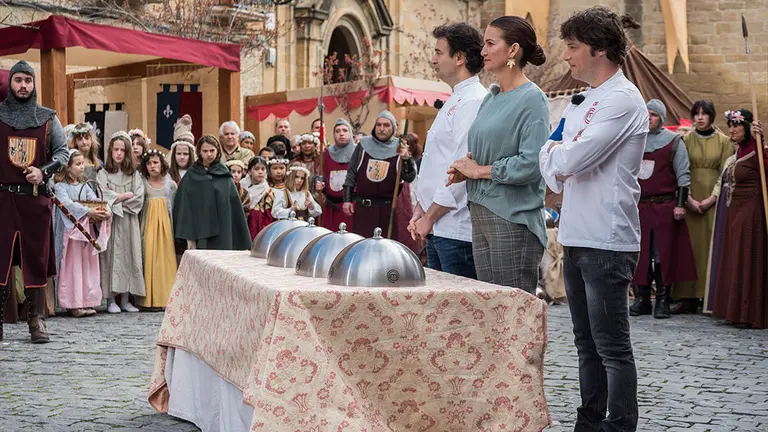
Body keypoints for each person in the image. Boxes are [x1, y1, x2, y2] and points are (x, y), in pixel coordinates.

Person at [538, 7, 647, 431]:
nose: (566, 56)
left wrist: (559, 155)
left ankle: (619, 425)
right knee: (585, 343)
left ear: (599, 49)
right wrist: (559, 155)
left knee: (611, 347)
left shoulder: (622, 99)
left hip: (607, 237)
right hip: (576, 233)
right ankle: (588, 421)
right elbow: (551, 154)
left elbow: (570, 159)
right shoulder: (581, 100)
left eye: (572, 47)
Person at [447, 16, 549, 291]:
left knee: (511, 311)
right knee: (491, 310)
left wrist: (479, 171)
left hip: (511, 217)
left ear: (513, 49)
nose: (482, 51)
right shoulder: (491, 97)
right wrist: (466, 169)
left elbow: (531, 163)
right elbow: (487, 150)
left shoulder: (533, 99)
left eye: (490, 44)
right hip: (480, 212)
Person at [410, 22, 486, 279]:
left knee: (456, 304)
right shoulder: (455, 97)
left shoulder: (473, 100)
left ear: (459, 58)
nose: (433, 60)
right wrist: (420, 209)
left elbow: (460, 168)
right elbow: (436, 163)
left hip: (455, 230)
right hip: (437, 226)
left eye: (438, 52)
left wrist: (429, 217)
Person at [0, 60, 69, 343]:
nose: (23, 86)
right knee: (0, 259)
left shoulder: (48, 118)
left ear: (34, 85)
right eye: (18, 80)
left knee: (35, 261)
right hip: (3, 199)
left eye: (28, 81)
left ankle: (36, 321)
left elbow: (63, 153)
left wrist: (44, 171)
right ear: (10, 84)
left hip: (35, 200)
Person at [630, 99, 697, 319]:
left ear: (661, 118)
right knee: (640, 254)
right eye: (646, 113)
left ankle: (662, 300)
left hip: (664, 207)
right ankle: (642, 299)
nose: (649, 118)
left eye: (654, 114)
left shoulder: (674, 142)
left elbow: (683, 175)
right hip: (640, 207)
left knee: (662, 255)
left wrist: (680, 205)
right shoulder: (635, 140)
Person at [672, 100, 734, 314]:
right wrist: (687, 198)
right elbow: (680, 169)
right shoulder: (685, 140)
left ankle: (710, 296)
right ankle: (687, 297)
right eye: (696, 113)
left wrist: (712, 198)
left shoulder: (724, 142)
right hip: (689, 198)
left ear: (711, 116)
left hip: (713, 201)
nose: (700, 117)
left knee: (710, 247)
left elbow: (726, 173)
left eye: (704, 113)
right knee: (689, 248)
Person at [711, 110, 767, 328]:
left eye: (736, 125)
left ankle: (749, 313)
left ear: (747, 127)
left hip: (751, 211)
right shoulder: (740, 151)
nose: (732, 130)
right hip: (734, 211)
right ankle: (734, 310)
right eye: (730, 125)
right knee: (735, 256)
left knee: (747, 257)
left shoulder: (756, 150)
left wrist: (760, 140)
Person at [52, 149, 113, 318]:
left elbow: (95, 199)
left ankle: (87, 300)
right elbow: (67, 204)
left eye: (82, 164)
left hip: (85, 232)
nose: (81, 167)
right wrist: (87, 211)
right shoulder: (60, 187)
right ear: (67, 167)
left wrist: (104, 210)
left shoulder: (84, 186)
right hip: (70, 233)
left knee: (86, 265)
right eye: (77, 164)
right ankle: (73, 303)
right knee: (72, 267)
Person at [342, 110, 416, 237]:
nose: (381, 129)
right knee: (362, 245)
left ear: (393, 128)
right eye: (379, 125)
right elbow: (351, 173)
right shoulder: (363, 145)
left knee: (385, 247)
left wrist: (406, 159)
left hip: (388, 211)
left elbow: (409, 177)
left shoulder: (400, 147)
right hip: (363, 210)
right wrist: (347, 199)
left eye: (386, 125)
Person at [173, 135, 251, 250]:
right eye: (205, 151)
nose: (209, 154)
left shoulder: (225, 175)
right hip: (200, 230)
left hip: (222, 230)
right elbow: (184, 205)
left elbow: (234, 208)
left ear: (218, 151)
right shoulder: (191, 175)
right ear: (199, 152)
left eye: (212, 150)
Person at [98, 132, 146, 314]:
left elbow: (138, 197)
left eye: (122, 150)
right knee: (110, 257)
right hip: (110, 221)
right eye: (115, 149)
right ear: (110, 151)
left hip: (128, 222)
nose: (118, 153)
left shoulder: (134, 175)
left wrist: (116, 200)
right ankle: (111, 300)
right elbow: (102, 195)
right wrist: (123, 196)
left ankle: (125, 299)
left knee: (128, 255)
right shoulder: (103, 173)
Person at [138, 149, 177, 309]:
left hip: (165, 230)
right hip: (148, 227)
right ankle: (149, 300)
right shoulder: (142, 183)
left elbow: (174, 207)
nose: (152, 166)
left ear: (162, 164)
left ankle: (166, 298)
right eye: (149, 163)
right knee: (149, 259)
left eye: (155, 162)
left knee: (166, 261)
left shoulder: (170, 185)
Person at [321, 118, 357, 230]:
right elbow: (322, 175)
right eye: (337, 131)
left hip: (351, 207)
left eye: (345, 130)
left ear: (350, 133)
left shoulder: (358, 152)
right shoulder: (326, 154)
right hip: (331, 207)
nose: (341, 134)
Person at [241, 156, 275, 239]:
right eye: (256, 169)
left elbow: (268, 214)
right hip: (242, 220)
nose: (260, 172)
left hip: (258, 223)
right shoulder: (241, 186)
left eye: (263, 169)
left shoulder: (267, 191)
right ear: (249, 171)